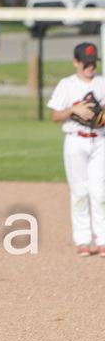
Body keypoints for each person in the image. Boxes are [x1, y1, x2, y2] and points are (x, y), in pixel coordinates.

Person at [46, 42, 105, 257]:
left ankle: (103, 240)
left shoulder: (102, 83)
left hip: (99, 141)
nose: (91, 66)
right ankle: (82, 240)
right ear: (76, 62)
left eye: (93, 62)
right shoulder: (66, 84)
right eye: (86, 63)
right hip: (75, 141)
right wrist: (73, 109)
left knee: (100, 192)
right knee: (79, 191)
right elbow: (55, 116)